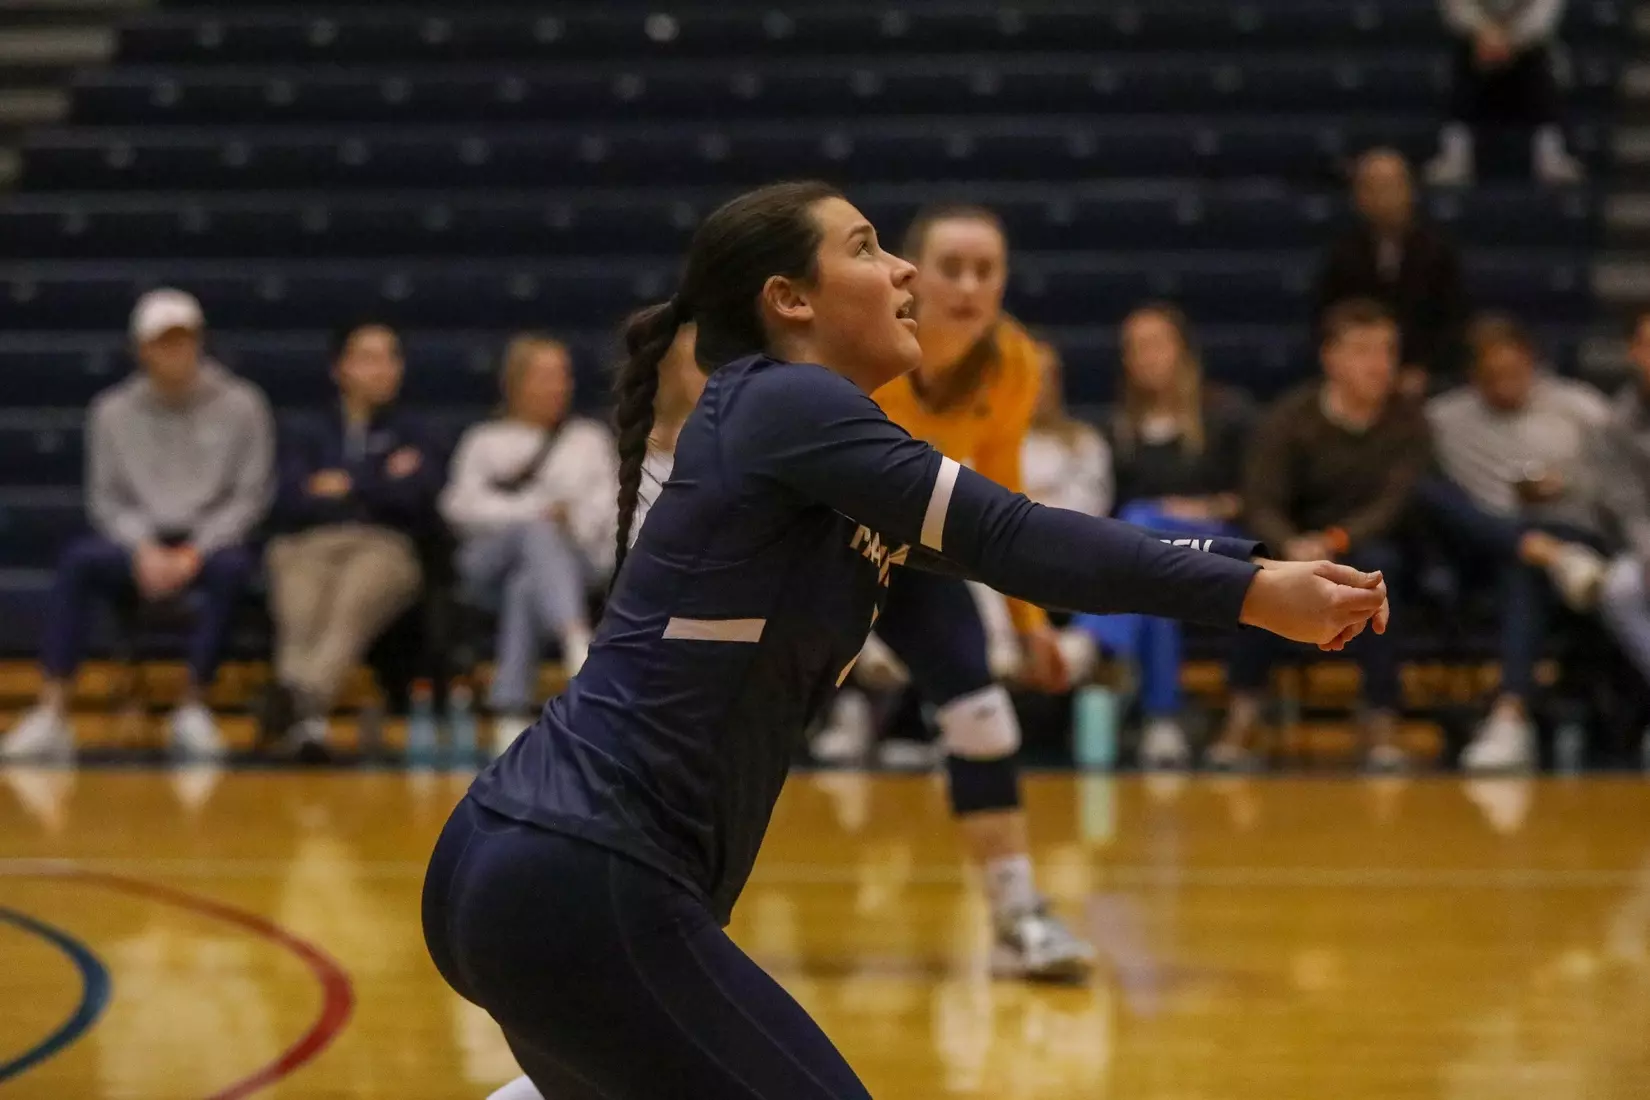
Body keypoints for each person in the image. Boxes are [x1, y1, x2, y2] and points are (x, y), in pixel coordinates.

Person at [421, 180, 1390, 1100]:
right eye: (866, 248)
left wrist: (1227, 572)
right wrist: (1254, 586)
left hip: (517, 859)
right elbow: (1016, 534)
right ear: (789, 299)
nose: (905, 272)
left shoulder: (806, 448)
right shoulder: (787, 402)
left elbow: (1024, 550)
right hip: (582, 874)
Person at [862, 203, 1111, 977]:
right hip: (806, 553)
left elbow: (1000, 492)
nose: (969, 286)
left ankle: (1016, 919)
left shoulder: (1014, 363)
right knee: (744, 726)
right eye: (951, 267)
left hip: (912, 557)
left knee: (982, 717)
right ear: (910, 274)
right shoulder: (860, 345)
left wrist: (1030, 621)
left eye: (987, 270)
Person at [1, 288, 273, 763]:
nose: (175, 352)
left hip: (211, 542)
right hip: (138, 542)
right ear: (140, 349)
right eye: (163, 342)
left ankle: (193, 705)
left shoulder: (243, 405)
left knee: (234, 569)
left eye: (184, 340)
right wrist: (143, 548)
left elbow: (250, 496)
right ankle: (52, 710)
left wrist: (196, 551)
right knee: (78, 561)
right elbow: (104, 500)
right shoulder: (111, 411)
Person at [1211, 297, 1429, 772]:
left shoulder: (1407, 421)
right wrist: (1292, 544)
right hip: (1297, 539)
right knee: (1259, 566)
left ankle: (1380, 716)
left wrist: (1335, 541)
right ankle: (1244, 711)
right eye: (1363, 350)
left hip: (1369, 543)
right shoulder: (1291, 418)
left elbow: (1396, 502)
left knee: (1377, 570)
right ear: (1330, 358)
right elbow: (1260, 499)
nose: (1378, 363)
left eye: (1387, 351)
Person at [1063, 304, 1253, 769]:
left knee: (1142, 523)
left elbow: (1259, 497)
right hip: (1155, 556)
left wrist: (1202, 508)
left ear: (1182, 351)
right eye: (1134, 348)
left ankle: (1089, 641)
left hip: (1220, 544)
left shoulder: (1227, 414)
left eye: (1155, 344)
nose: (1144, 357)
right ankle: (1162, 723)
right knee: (1153, 582)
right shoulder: (1117, 429)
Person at [1421, 314, 1612, 770]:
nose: (1506, 385)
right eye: (1493, 377)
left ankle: (1511, 714)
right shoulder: (1442, 420)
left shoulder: (1582, 407)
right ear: (1472, 376)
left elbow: (1618, 480)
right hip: (1487, 546)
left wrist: (1567, 485)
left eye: (1515, 373)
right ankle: (1553, 559)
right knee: (1438, 500)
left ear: (1534, 363)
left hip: (1575, 533)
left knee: (1522, 564)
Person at [262, 320, 441, 760]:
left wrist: (345, 485)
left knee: (350, 605)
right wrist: (377, 480)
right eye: (369, 358)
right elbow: (288, 498)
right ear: (339, 368)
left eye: (390, 358)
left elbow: (415, 498)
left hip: (384, 545)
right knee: (300, 611)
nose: (383, 369)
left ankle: (294, 703)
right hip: (309, 544)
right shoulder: (306, 429)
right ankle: (307, 724)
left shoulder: (417, 430)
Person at [441, 335, 618, 753]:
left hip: (574, 565)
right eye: (544, 375)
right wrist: (535, 513)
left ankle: (510, 710)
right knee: (535, 535)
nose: (557, 385)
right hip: (488, 566)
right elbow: (460, 508)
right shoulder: (484, 439)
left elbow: (604, 512)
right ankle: (576, 641)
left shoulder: (587, 439)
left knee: (527, 584)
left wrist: (565, 518)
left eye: (563, 375)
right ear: (515, 382)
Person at [1314, 148, 1470, 398]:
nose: (1383, 196)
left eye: (1392, 185)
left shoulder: (1438, 252)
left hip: (1428, 375)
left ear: (1410, 191)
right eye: (1372, 187)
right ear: (1358, 197)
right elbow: (1329, 322)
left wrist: (1422, 369)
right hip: (1356, 372)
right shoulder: (1341, 256)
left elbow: (1453, 322)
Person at [1424, 0, 1586, 187]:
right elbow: (1455, 6)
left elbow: (1545, 11)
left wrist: (1513, 40)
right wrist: (1481, 31)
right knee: (1462, 63)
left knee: (1541, 65)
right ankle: (1455, 152)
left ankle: (1550, 152)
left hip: (1529, 47)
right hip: (1476, 45)